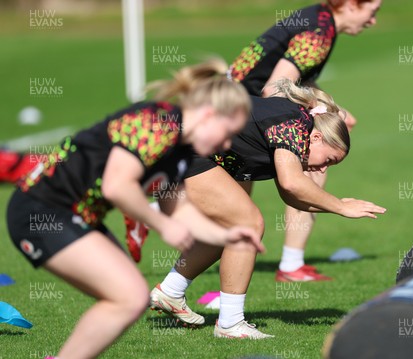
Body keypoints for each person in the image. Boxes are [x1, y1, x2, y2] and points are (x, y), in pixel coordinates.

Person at [5, 59, 265, 359]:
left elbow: (180, 211)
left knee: (131, 298)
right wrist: (162, 224)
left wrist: (229, 235)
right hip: (42, 211)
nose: (227, 143)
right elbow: (117, 186)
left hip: (76, 216)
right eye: (228, 132)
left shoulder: (179, 150)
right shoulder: (157, 123)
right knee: (128, 298)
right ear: (209, 115)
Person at [125, 0, 383, 280]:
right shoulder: (317, 34)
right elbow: (275, 87)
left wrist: (325, 107)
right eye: (373, 11)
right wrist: (299, 126)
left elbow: (294, 80)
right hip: (241, 119)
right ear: (350, 5)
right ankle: (290, 264)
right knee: (301, 172)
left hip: (237, 110)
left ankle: (156, 222)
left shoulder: (316, 19)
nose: (373, 21)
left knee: (234, 210)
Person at [149, 79, 386, 338]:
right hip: (176, 148)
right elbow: (292, 183)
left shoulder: (296, 130)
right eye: (328, 160)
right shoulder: (296, 122)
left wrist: (335, 207)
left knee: (229, 226)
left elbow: (290, 195)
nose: (322, 169)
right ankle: (230, 324)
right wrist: (340, 206)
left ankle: (171, 291)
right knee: (247, 222)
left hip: (176, 149)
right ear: (316, 137)